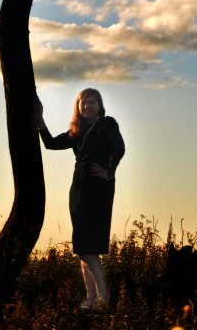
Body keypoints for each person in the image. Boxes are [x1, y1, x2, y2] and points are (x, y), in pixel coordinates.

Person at [36, 88, 125, 311]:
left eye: (91, 103)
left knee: (89, 244)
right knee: (82, 246)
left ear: (99, 106)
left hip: (99, 188)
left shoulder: (107, 124)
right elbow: (50, 143)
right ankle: (90, 299)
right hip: (79, 189)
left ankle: (103, 297)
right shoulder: (76, 131)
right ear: (78, 107)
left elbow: (120, 148)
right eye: (83, 103)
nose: (86, 107)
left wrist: (109, 172)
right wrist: (40, 119)